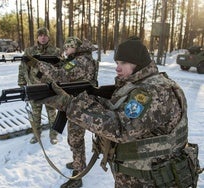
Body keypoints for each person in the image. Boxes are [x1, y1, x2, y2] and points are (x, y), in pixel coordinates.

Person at [36, 37, 202, 187]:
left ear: (138, 63)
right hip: (142, 176)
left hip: (150, 180)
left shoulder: (153, 92)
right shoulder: (140, 85)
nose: (117, 68)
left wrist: (70, 105)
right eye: (117, 63)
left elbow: (120, 128)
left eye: (122, 63)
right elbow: (117, 109)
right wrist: (85, 100)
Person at [32, 36, 98, 188]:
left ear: (75, 47)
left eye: (68, 47)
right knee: (75, 139)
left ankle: (78, 174)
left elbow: (59, 75)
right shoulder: (84, 59)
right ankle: (78, 162)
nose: (65, 50)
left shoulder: (80, 61)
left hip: (80, 106)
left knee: (75, 140)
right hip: (80, 103)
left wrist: (39, 64)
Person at [18, 27, 61, 145]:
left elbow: (61, 69)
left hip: (50, 88)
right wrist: (22, 84)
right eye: (40, 35)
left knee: (52, 113)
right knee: (35, 113)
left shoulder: (56, 51)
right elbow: (23, 68)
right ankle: (36, 135)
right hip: (34, 87)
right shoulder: (29, 51)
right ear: (37, 37)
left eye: (45, 35)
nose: (43, 38)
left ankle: (53, 135)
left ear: (49, 37)